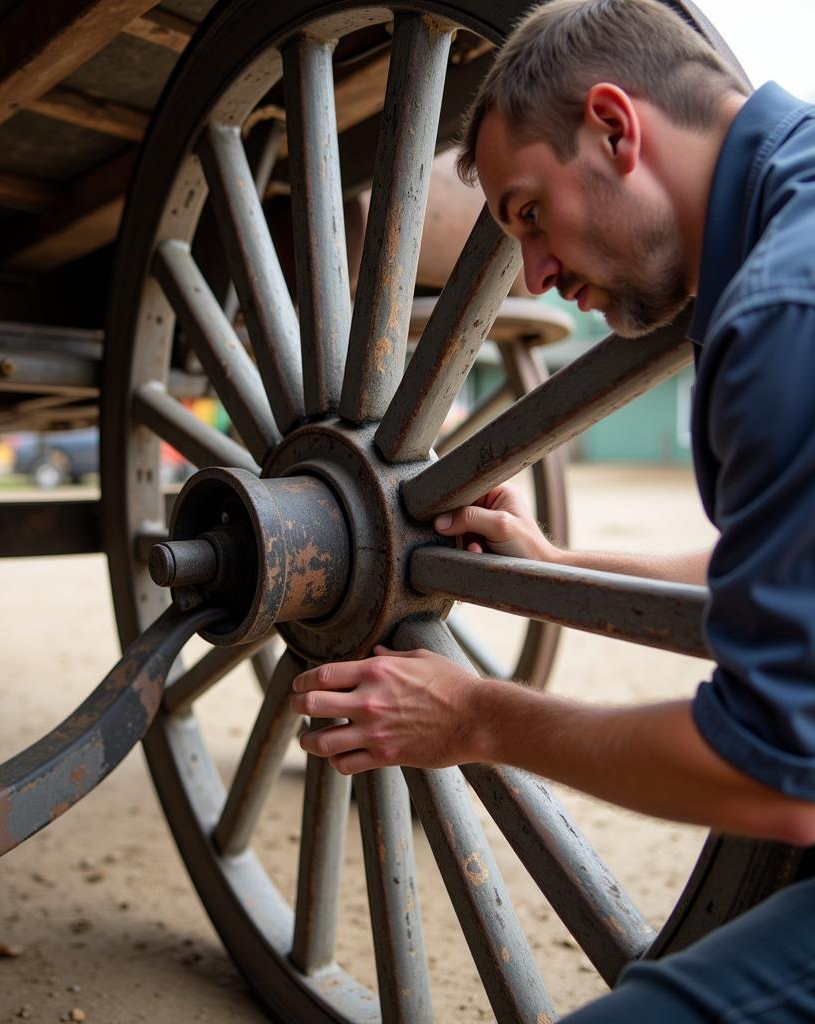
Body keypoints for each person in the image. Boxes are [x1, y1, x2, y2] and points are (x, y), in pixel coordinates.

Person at [291, 0, 815, 1018]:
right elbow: (780, 585)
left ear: (617, 129)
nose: (529, 274)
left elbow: (778, 776)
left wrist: (479, 716)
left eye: (528, 211)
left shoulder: (782, 315)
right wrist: (551, 569)